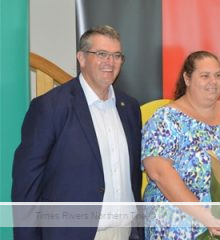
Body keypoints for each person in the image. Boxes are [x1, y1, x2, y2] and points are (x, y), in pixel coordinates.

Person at [12, 25, 144, 240]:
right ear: (81, 58)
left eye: (116, 55)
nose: (110, 62)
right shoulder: (50, 107)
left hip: (125, 231)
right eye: (101, 54)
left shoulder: (129, 107)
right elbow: (27, 182)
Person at [141, 50, 220, 239]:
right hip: (184, 224)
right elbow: (159, 173)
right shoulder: (165, 119)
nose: (213, 82)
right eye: (205, 76)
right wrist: (204, 215)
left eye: (217, 75)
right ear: (187, 78)